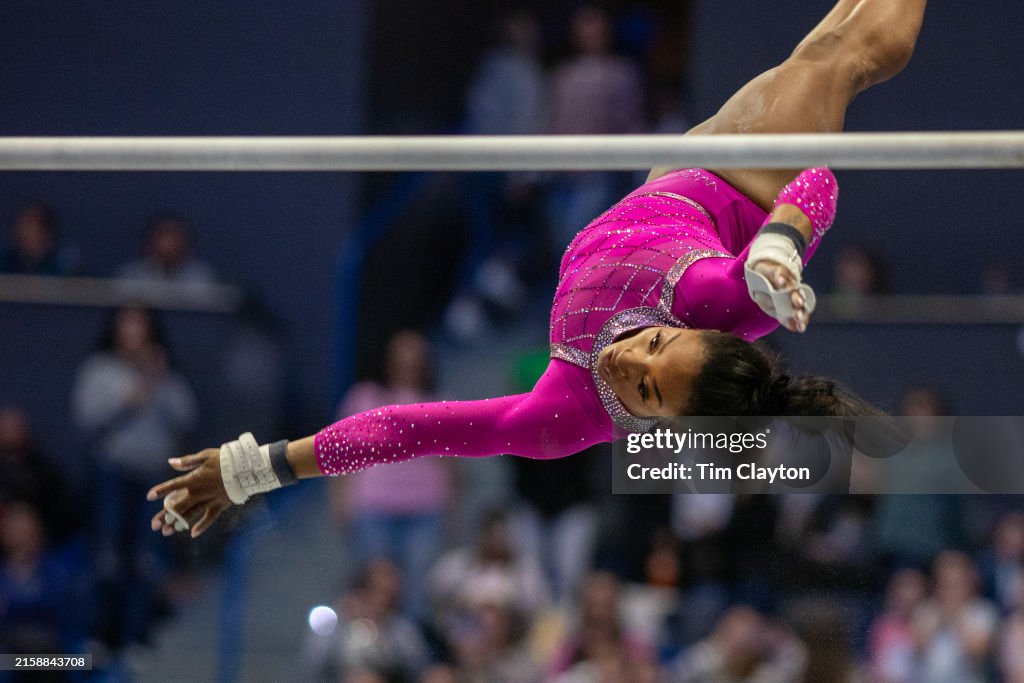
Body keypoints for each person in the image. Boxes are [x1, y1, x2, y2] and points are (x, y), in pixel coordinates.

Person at [148, 0, 928, 537]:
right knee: (841, 56)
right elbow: (818, 180)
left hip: (675, 181)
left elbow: (406, 427)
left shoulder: (566, 415)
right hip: (741, 186)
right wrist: (776, 246)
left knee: (836, 51)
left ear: (654, 427)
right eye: (658, 346)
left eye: (643, 388)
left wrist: (257, 470)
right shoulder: (718, 300)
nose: (628, 358)